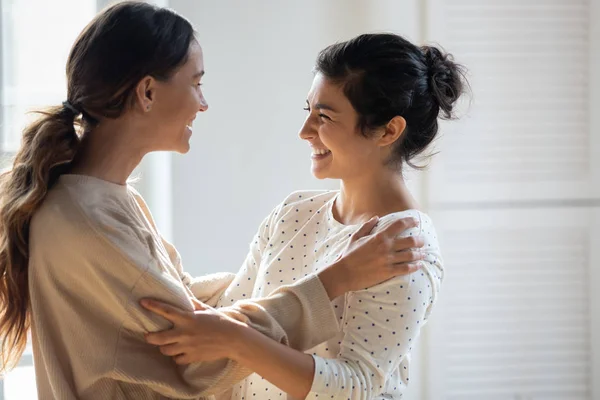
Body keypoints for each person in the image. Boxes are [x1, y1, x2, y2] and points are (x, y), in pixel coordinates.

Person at [0, 3, 426, 399]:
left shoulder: (105, 198)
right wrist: (333, 280)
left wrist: (279, 275)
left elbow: (183, 301)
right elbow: (201, 353)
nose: (203, 104)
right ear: (147, 93)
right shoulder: (89, 219)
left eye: (324, 115)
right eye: (196, 83)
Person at [141, 33, 467, 399]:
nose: (304, 131)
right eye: (308, 111)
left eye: (324, 116)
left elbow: (354, 386)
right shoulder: (294, 213)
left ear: (388, 131)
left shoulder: (404, 246)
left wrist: (237, 342)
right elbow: (233, 313)